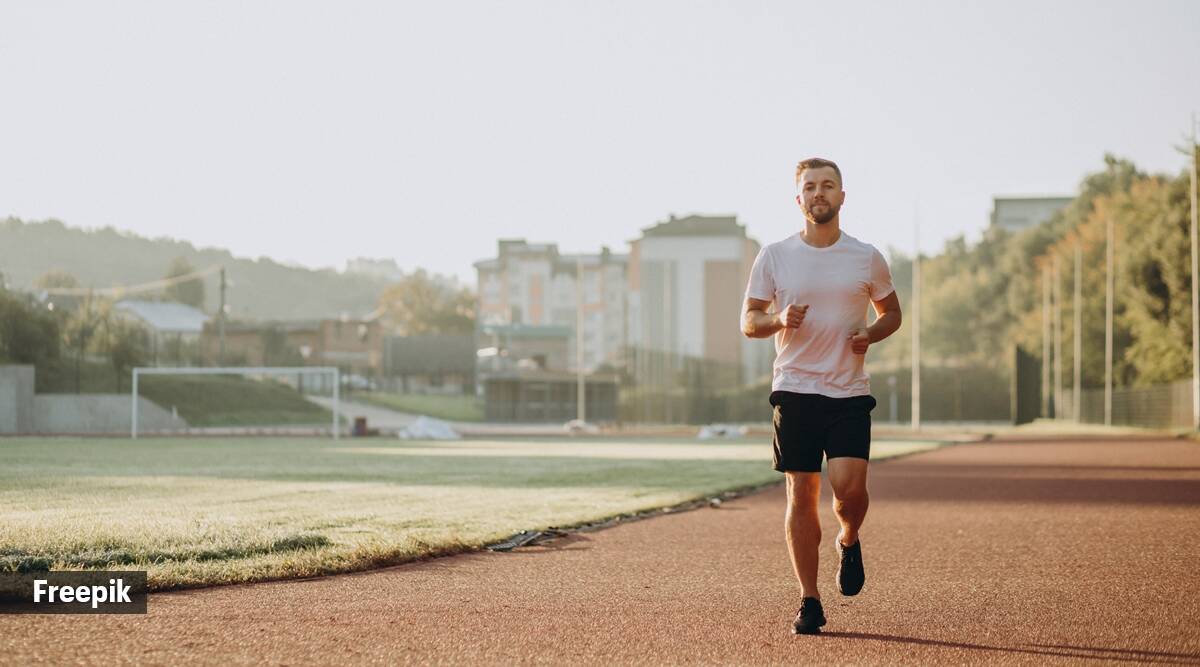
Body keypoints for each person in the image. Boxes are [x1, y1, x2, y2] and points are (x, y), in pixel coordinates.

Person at [741, 157, 902, 635]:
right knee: (802, 492)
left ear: (842, 196)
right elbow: (749, 321)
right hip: (795, 388)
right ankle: (809, 600)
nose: (819, 194)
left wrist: (870, 335)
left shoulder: (866, 256)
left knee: (850, 493)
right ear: (798, 199)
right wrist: (778, 319)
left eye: (827, 186)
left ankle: (849, 539)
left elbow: (892, 312)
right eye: (810, 187)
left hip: (849, 390)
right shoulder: (774, 255)